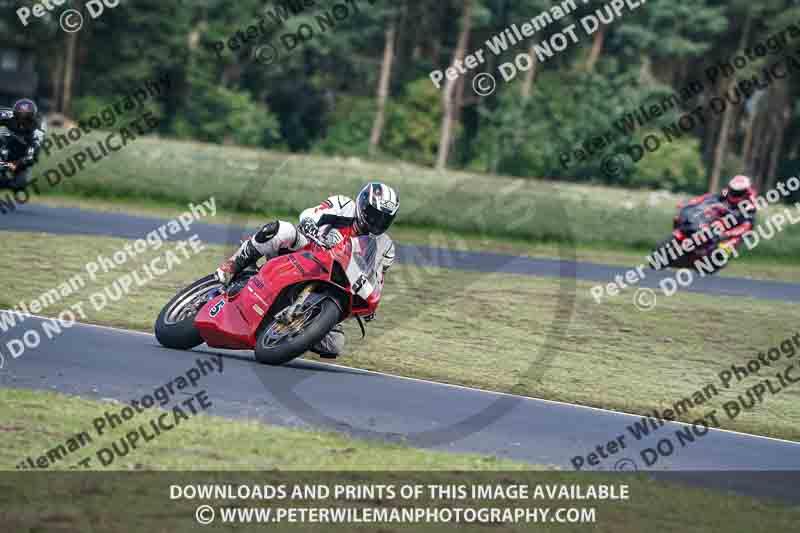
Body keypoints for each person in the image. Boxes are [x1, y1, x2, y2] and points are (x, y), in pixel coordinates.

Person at [216, 182, 399, 358]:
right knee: (282, 230)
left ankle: (289, 332)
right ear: (363, 204)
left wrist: (370, 305)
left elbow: (377, 278)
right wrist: (310, 224)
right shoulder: (343, 204)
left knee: (335, 344)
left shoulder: (385, 246)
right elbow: (311, 214)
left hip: (337, 282)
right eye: (374, 215)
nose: (377, 222)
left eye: (384, 219)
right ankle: (232, 266)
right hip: (307, 252)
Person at [679, 175, 757, 253]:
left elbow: (746, 226)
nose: (734, 194)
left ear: (746, 192)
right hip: (720, 218)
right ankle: (694, 233)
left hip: (735, 227)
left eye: (738, 193)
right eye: (733, 191)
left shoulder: (750, 203)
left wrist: (727, 234)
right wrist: (691, 203)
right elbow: (709, 197)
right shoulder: (726, 192)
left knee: (727, 245)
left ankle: (718, 254)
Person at [0, 99, 46, 191]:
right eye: (19, 117)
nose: (22, 122)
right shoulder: (7, 115)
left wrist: (15, 164)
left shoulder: (39, 128)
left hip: (22, 154)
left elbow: (32, 155)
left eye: (27, 118)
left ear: (33, 117)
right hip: (6, 144)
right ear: (14, 114)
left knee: (20, 184)